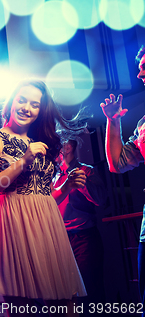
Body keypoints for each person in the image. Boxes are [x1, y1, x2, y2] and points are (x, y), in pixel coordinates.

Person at [0, 79, 87, 317]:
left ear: (41, 111)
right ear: (11, 101)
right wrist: (22, 162)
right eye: (22, 100)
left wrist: (66, 188)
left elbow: (42, 196)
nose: (27, 107)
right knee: (22, 309)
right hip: (13, 224)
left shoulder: (44, 142)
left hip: (48, 226)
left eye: (35, 104)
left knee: (66, 306)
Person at [100, 44, 145, 316]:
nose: (140, 73)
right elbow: (117, 164)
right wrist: (113, 121)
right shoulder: (143, 125)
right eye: (140, 69)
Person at [54, 139, 107, 312]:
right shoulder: (54, 176)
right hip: (60, 241)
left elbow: (100, 200)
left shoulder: (86, 170)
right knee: (64, 294)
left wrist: (78, 179)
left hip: (84, 238)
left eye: (56, 144)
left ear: (67, 147)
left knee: (87, 292)